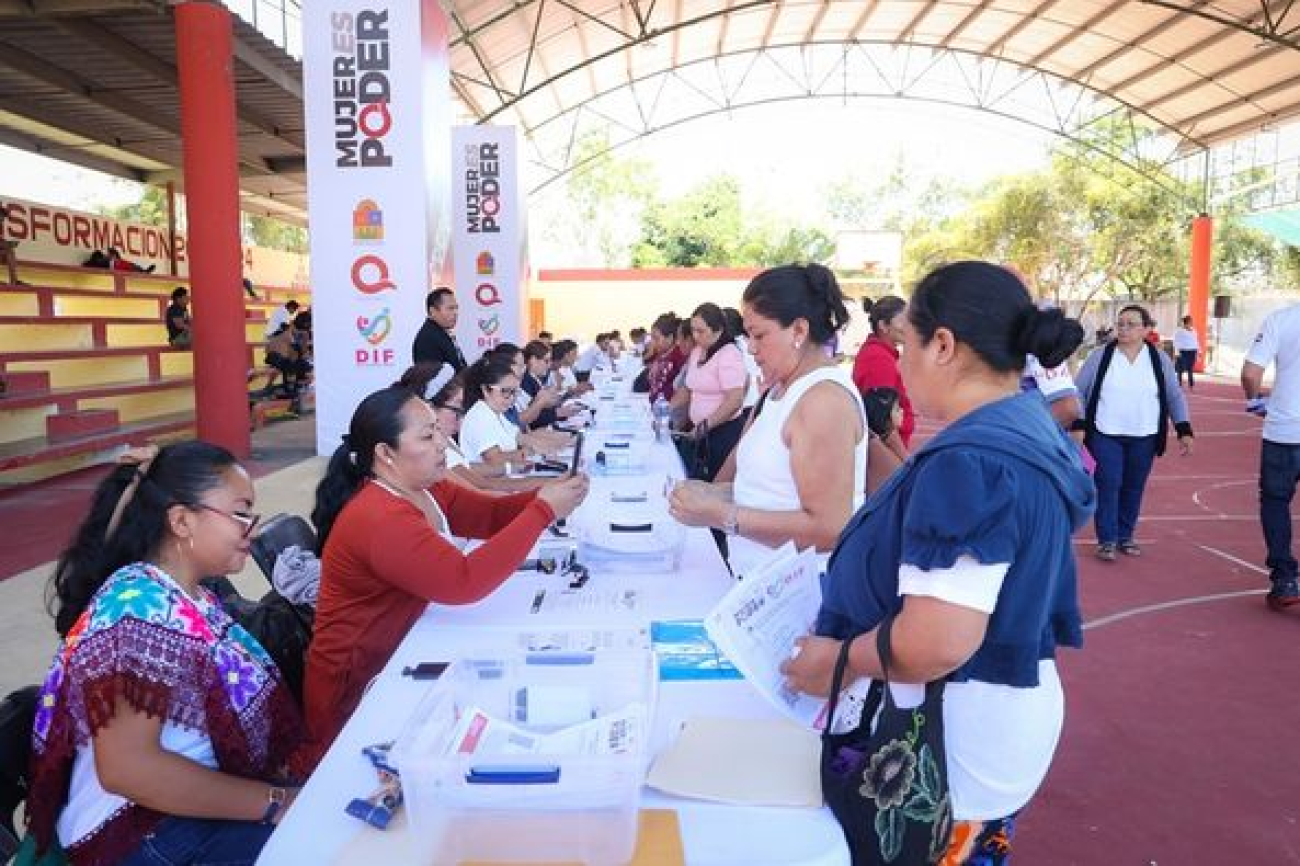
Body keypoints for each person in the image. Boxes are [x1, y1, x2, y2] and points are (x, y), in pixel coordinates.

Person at [782, 261, 1093, 864]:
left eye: (907, 344)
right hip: (992, 721)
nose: (898, 362)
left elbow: (938, 639)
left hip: (951, 744)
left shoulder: (972, 461)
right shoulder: (1021, 426)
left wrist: (840, 661)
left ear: (943, 345)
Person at [28, 442, 304, 865]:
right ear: (181, 520)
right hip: (137, 832)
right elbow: (128, 770)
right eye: (241, 512)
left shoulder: (189, 595)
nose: (252, 527)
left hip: (177, 810)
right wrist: (275, 801)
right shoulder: (138, 609)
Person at [302, 386, 588, 760]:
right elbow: (462, 581)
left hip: (399, 655)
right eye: (427, 435)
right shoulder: (378, 516)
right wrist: (543, 511)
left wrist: (544, 496)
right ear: (386, 453)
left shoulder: (424, 487)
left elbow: (488, 516)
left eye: (439, 428)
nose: (443, 441)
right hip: (356, 692)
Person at [667, 264, 866, 576]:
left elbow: (829, 528)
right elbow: (764, 489)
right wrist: (709, 493)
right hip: (759, 581)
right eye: (748, 335)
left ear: (799, 331)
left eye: (759, 335)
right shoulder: (777, 390)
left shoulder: (823, 402)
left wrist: (721, 514)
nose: (751, 347)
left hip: (800, 594)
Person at [1074, 304, 1194, 562]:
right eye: (1120, 324)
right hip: (1105, 433)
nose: (1124, 329)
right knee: (1108, 484)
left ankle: (1125, 536)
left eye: (1131, 324)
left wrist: (1184, 428)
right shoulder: (1100, 356)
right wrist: (1080, 425)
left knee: (1133, 486)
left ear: (1146, 329)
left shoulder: (1158, 358)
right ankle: (1107, 540)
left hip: (1146, 434)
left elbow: (1174, 394)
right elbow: (1079, 392)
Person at [1241, 302, 1300, 609]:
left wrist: (1253, 401)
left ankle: (1285, 578)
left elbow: (1251, 373)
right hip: (1285, 429)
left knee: (1276, 501)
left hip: (1286, 430)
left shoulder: (1282, 318)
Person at [670, 303, 749, 481]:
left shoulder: (729, 354)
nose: (696, 336)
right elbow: (688, 389)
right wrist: (665, 409)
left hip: (721, 434)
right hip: (701, 433)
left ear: (718, 330)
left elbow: (735, 399)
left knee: (712, 486)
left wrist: (706, 425)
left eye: (701, 331)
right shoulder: (698, 352)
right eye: (693, 331)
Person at [852, 295, 914, 452]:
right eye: (902, 322)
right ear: (883, 326)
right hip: (890, 451)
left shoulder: (882, 354)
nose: (908, 328)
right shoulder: (878, 359)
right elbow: (881, 421)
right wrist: (903, 461)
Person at [458, 352, 531, 468]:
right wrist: (526, 453)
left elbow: (522, 438)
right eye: (506, 391)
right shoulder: (480, 416)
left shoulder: (497, 413)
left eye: (514, 392)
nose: (512, 398)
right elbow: (494, 459)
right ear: (485, 390)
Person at [411, 287, 466, 375]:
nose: (456, 313)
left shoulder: (441, 333)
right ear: (432, 311)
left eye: (456, 308)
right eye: (450, 308)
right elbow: (433, 381)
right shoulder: (427, 339)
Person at [646, 313, 687, 405]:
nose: (652, 343)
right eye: (651, 338)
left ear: (670, 338)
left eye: (656, 338)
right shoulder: (661, 355)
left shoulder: (679, 357)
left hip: (666, 410)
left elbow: (675, 390)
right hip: (655, 405)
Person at [1173, 314, 1200, 389]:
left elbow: (1196, 341)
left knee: (1190, 368)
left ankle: (1191, 384)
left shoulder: (1194, 331)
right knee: (1180, 368)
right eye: (1191, 321)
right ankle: (1179, 383)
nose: (1192, 322)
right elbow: (1175, 342)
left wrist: (1199, 351)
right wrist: (1176, 352)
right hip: (1183, 351)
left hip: (1192, 351)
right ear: (1187, 322)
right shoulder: (1179, 331)